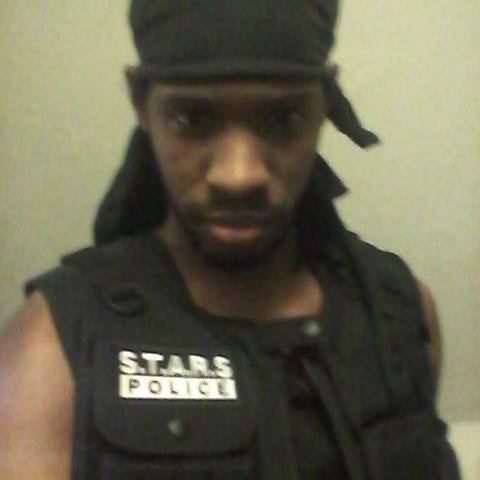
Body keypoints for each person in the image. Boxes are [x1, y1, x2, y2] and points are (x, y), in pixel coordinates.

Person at [0, 1, 462, 479]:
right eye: (192, 118)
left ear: (325, 102)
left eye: (284, 118)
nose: (239, 175)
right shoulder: (52, 352)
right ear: (141, 102)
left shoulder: (399, 314)